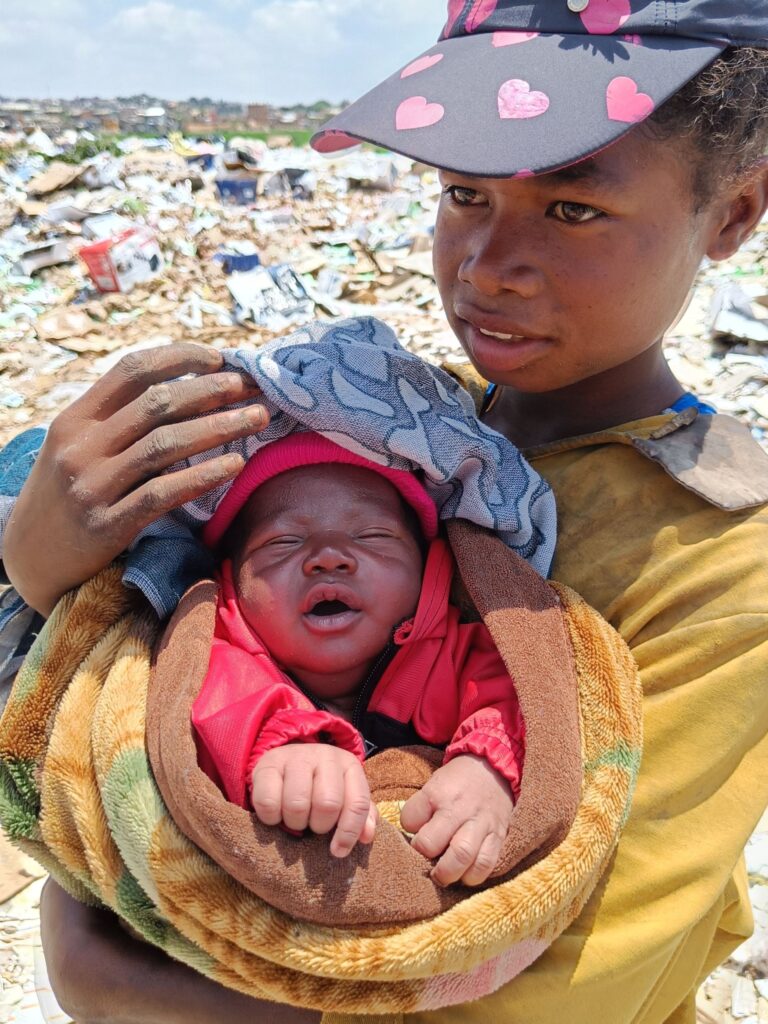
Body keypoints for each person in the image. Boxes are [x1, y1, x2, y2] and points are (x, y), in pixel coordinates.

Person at [2, 1, 768, 1021]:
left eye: (572, 209)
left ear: (732, 216)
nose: (487, 264)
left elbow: (570, 991)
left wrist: (117, 977)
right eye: (464, 193)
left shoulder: (718, 556)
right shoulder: (385, 434)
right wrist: (44, 560)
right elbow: (156, 670)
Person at [192, 432, 524, 885]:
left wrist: (488, 767)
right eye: (284, 542)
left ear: (431, 566)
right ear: (231, 580)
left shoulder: (458, 652)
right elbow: (205, 712)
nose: (328, 557)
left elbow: (527, 697)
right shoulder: (213, 658)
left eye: (372, 535)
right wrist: (281, 747)